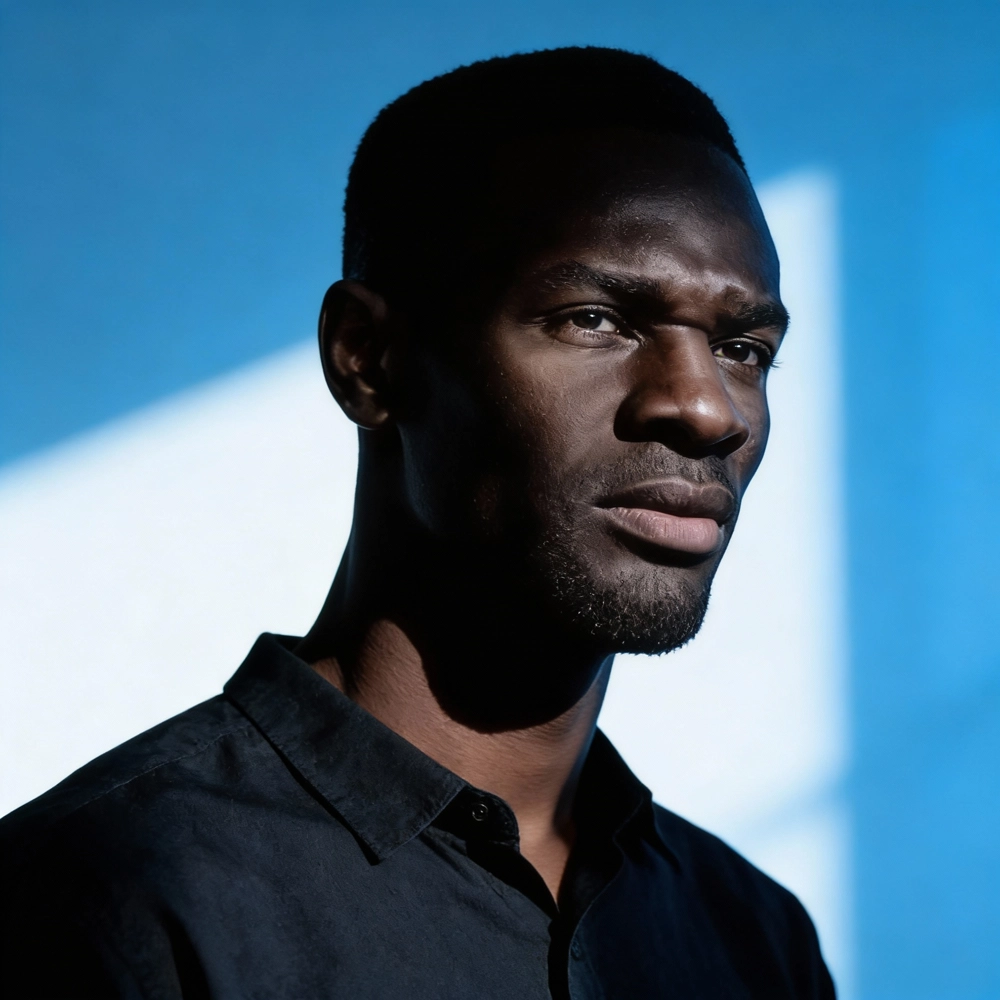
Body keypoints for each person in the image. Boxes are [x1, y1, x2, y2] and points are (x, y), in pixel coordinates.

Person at [0, 46, 836, 998]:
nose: (708, 409)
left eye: (742, 349)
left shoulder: (753, 940)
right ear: (368, 358)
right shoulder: (95, 901)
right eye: (594, 319)